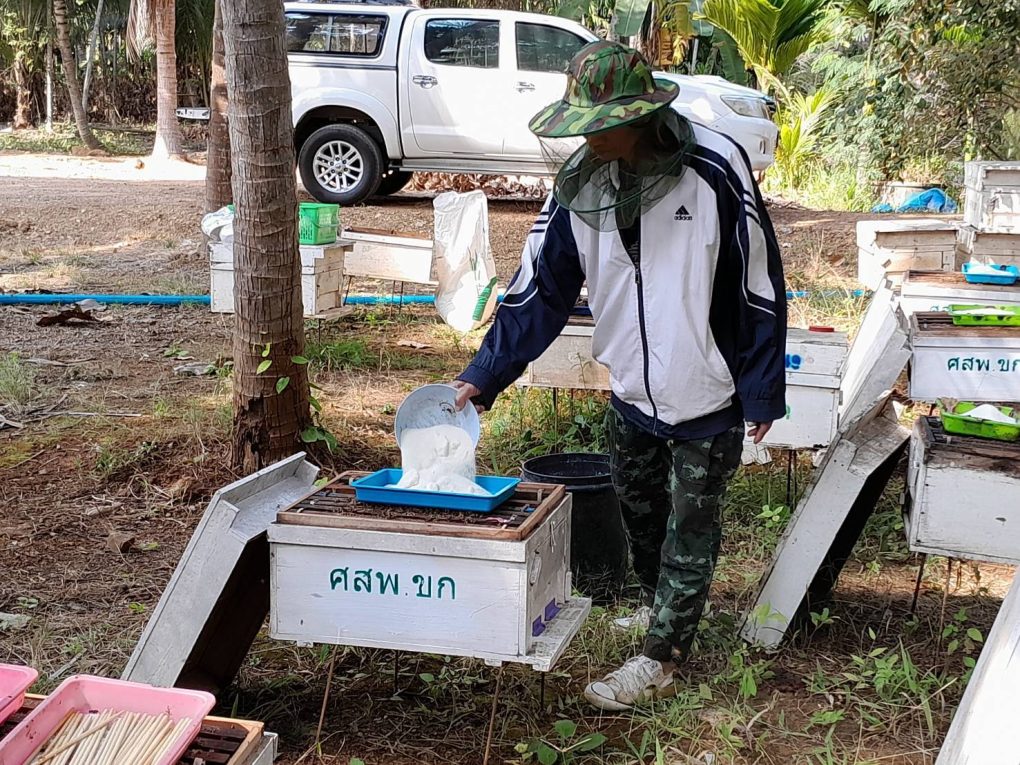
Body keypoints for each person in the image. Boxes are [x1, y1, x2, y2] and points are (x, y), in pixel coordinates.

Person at [452, 41, 786, 710]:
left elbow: (758, 280)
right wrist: (484, 374)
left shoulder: (716, 167)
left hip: (708, 387)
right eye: (583, 124)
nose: (590, 137)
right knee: (641, 513)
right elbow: (539, 286)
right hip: (630, 386)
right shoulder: (581, 185)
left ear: (642, 116)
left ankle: (662, 657)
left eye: (603, 124)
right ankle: (659, 606)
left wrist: (759, 387)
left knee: (691, 529)